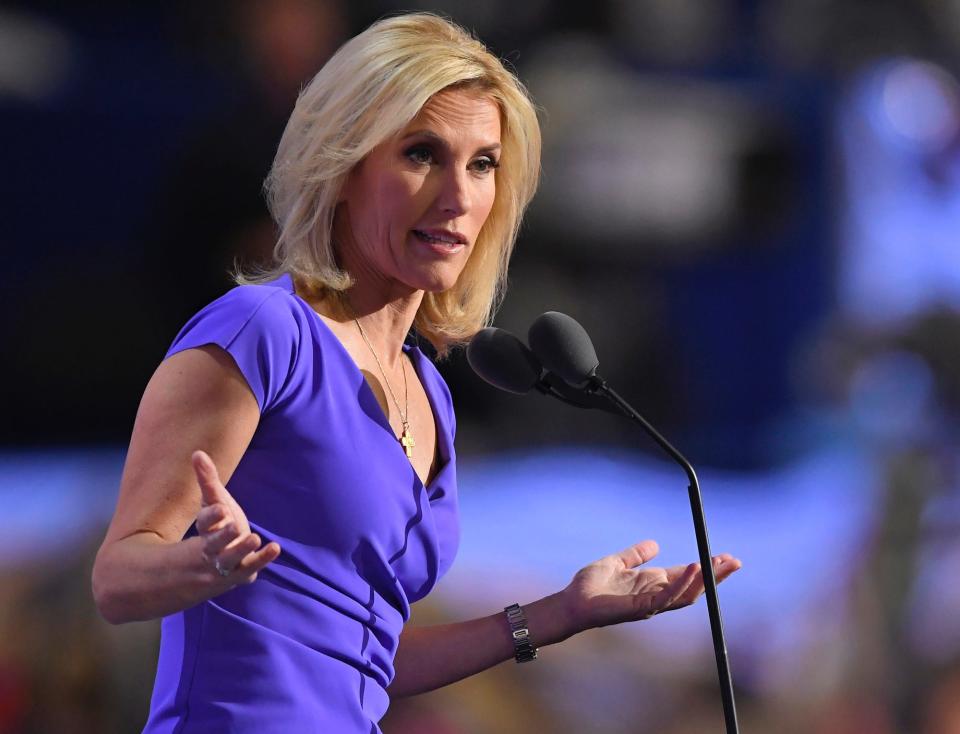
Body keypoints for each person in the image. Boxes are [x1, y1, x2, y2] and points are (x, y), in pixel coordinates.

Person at [92, 12, 741, 733]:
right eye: (422, 154)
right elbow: (118, 579)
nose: (459, 197)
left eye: (483, 163)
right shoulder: (264, 333)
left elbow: (362, 659)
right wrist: (202, 568)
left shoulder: (428, 389)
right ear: (341, 167)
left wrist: (561, 614)